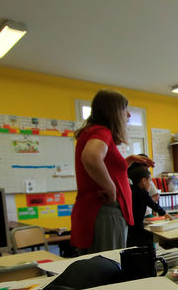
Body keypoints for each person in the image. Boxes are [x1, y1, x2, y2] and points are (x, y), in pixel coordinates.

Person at [71, 89, 154, 253]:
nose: (128, 115)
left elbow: (103, 165)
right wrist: (111, 188)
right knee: (108, 266)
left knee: (96, 266)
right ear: (114, 112)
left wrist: (127, 162)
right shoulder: (102, 131)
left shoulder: (91, 132)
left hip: (95, 211)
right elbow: (91, 157)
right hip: (105, 211)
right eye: (125, 109)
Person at [127, 166, 172, 247]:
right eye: (150, 180)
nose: (150, 184)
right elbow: (154, 205)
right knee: (149, 242)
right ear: (144, 181)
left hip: (129, 229)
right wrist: (166, 215)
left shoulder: (130, 190)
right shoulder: (142, 193)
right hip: (138, 231)